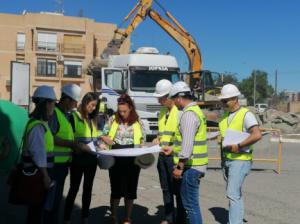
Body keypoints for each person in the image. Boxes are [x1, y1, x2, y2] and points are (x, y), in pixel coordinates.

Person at [218, 84, 262, 224]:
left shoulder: (246, 114)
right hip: (227, 159)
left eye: (226, 100)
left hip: (241, 160)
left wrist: (239, 145)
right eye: (222, 100)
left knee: (232, 194)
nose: (223, 103)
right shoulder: (225, 116)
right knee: (235, 194)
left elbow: (257, 135)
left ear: (235, 98)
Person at [168, 81, 208, 224]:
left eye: (173, 99)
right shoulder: (197, 111)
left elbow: (187, 143)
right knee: (191, 205)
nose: (174, 102)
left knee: (191, 207)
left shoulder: (189, 114)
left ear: (179, 98)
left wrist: (180, 166)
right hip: (196, 165)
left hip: (191, 167)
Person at [101, 94, 143, 224]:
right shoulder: (113, 119)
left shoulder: (137, 121)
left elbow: (141, 140)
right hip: (116, 159)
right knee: (116, 189)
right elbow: (103, 134)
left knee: (131, 190)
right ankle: (114, 216)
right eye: (120, 111)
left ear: (130, 108)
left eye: (124, 111)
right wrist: (105, 139)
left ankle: (127, 218)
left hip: (133, 160)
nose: (122, 113)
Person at [44, 83, 82, 224]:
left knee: (56, 200)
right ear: (67, 100)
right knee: (51, 201)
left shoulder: (66, 115)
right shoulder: (55, 114)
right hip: (54, 166)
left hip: (62, 165)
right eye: (74, 101)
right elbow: (52, 138)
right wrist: (72, 144)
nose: (75, 104)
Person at [20, 85, 57, 224]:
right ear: (47, 103)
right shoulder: (37, 126)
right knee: (36, 213)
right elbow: (38, 154)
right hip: (37, 176)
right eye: (53, 102)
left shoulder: (40, 123)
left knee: (36, 212)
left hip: (38, 174)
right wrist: (46, 176)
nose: (54, 106)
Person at [64, 92, 100, 224]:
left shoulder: (93, 119)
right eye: (92, 105)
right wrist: (80, 147)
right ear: (85, 103)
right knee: (74, 188)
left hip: (91, 159)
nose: (94, 108)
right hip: (78, 159)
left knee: (88, 189)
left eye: (95, 106)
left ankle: (85, 217)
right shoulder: (73, 117)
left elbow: (94, 139)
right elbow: (69, 139)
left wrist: (100, 145)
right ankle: (66, 218)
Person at [153, 79, 185, 224]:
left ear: (169, 96)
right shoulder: (162, 112)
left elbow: (184, 137)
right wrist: (157, 139)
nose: (159, 101)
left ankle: (180, 219)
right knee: (165, 189)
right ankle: (169, 218)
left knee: (177, 191)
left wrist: (173, 148)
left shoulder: (180, 113)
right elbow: (163, 132)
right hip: (162, 155)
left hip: (174, 156)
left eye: (161, 98)